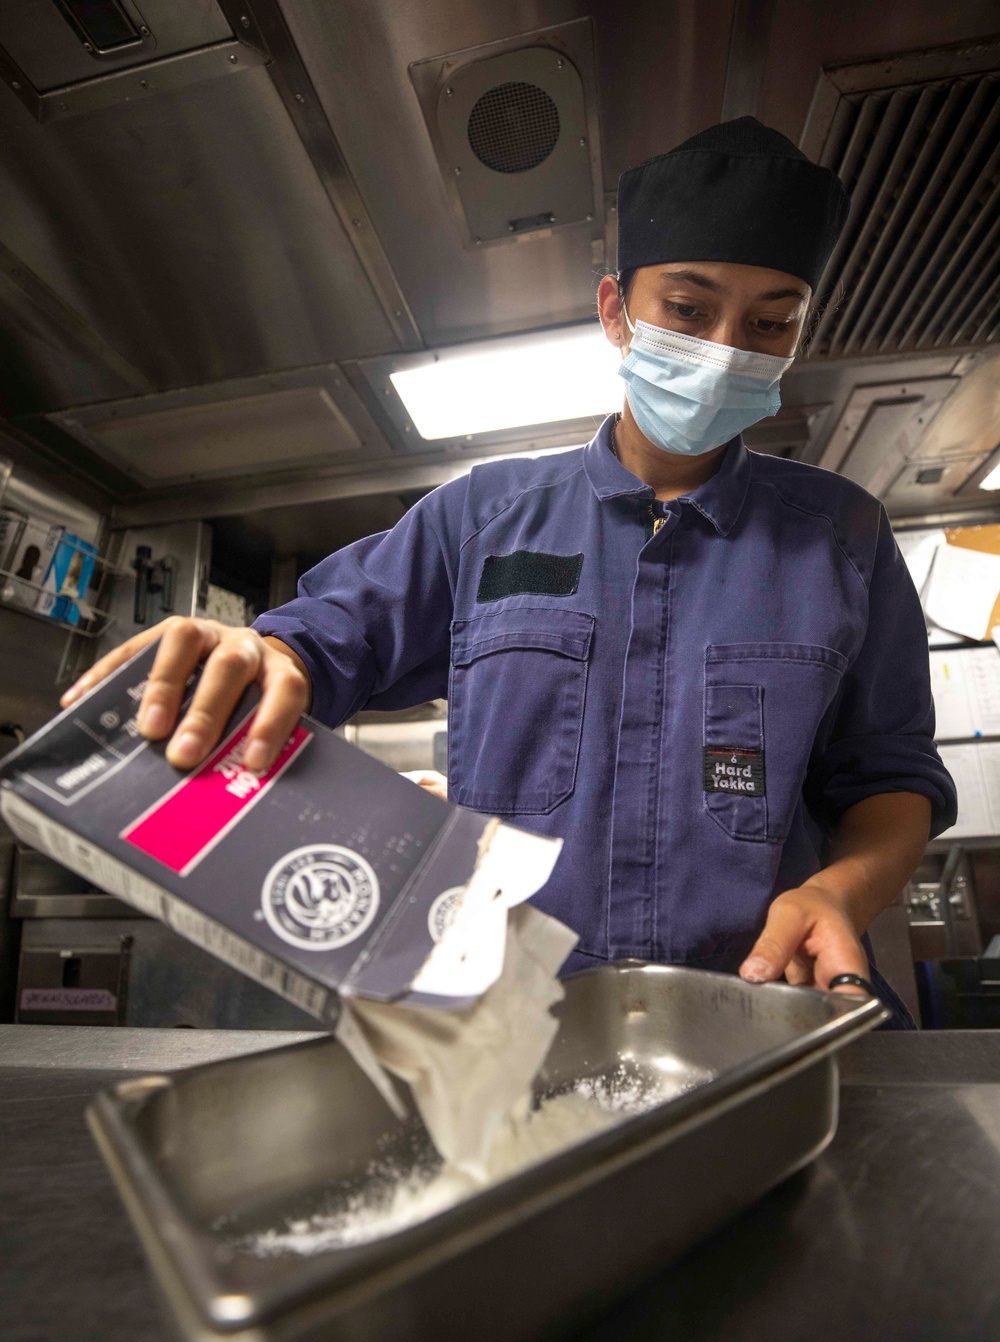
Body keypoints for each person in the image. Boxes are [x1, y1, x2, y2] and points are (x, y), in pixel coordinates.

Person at [63, 118, 956, 1027]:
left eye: (770, 322)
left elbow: (890, 776)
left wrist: (843, 891)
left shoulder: (843, 538)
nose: (726, 347)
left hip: (763, 1013)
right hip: (514, 1031)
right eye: (688, 310)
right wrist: (263, 654)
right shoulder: (480, 519)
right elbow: (318, 644)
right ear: (616, 311)